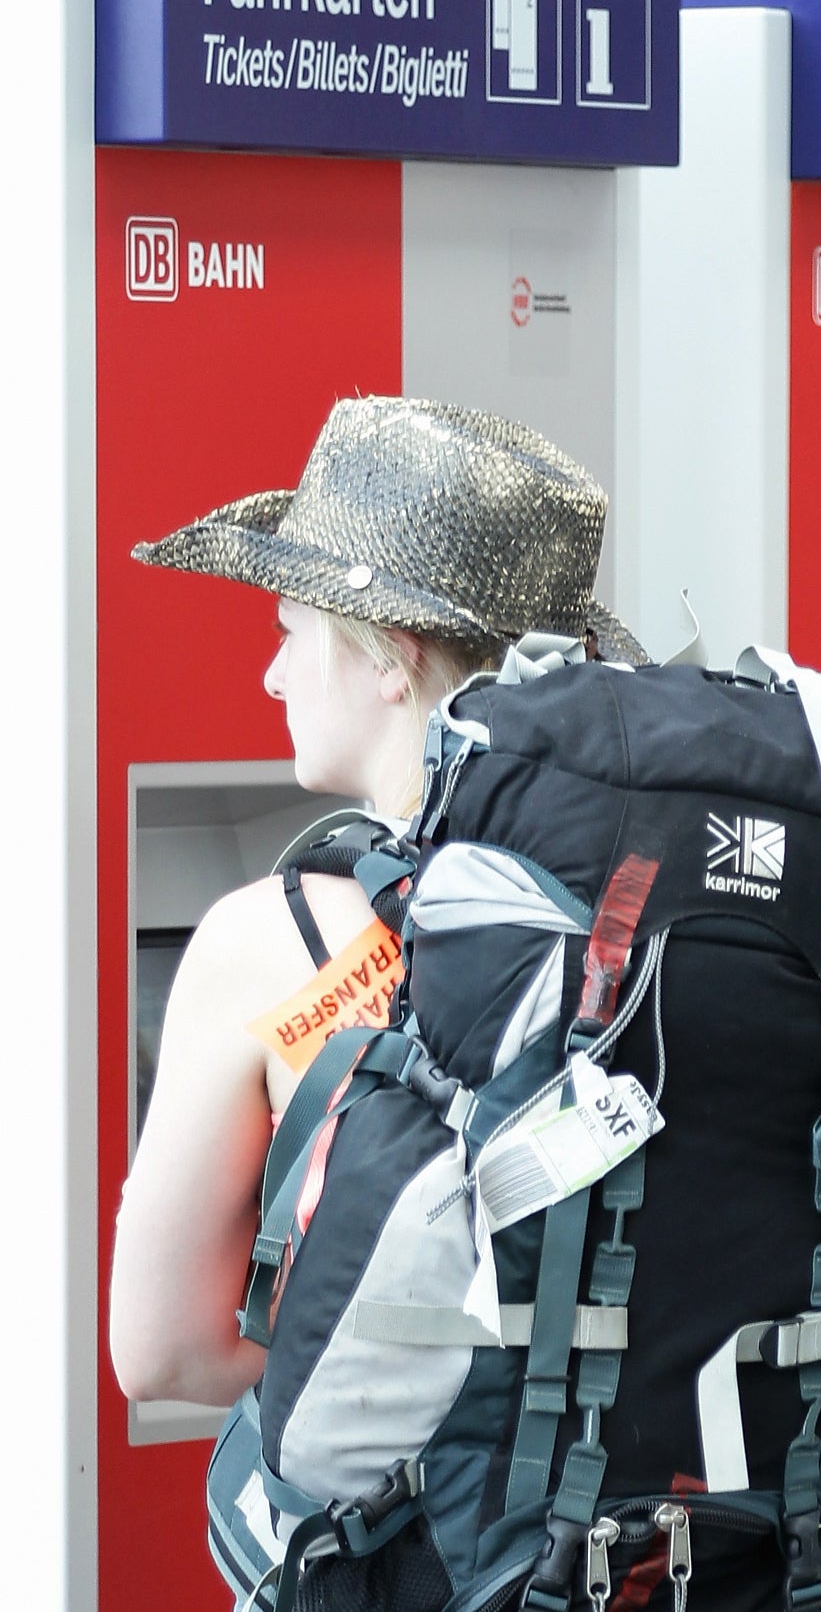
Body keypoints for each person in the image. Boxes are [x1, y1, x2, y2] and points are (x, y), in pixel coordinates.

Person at [109, 396, 646, 1408]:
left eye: (288, 631)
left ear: (391, 654)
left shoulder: (269, 941)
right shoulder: (650, 899)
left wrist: (390, 1367)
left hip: (408, 1551)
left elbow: (162, 1351)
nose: (271, 677)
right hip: (674, 1540)